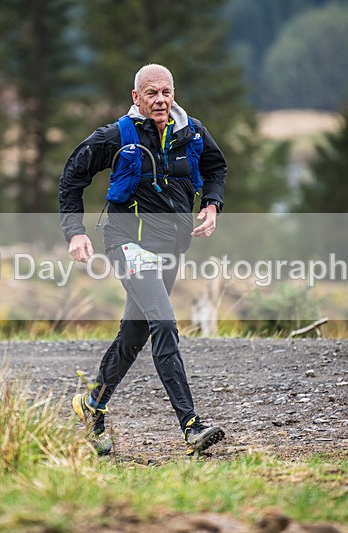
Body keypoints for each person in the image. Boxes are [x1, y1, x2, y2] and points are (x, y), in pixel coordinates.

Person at [58, 63, 227, 456]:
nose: (160, 100)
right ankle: (191, 426)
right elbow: (71, 176)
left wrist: (213, 205)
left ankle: (91, 407)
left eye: (166, 92)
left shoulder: (192, 132)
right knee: (164, 323)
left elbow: (216, 167)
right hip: (126, 244)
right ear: (136, 97)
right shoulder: (116, 135)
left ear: (174, 93)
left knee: (134, 335)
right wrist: (75, 231)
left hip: (171, 246)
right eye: (151, 93)